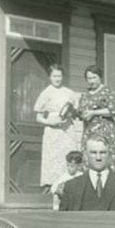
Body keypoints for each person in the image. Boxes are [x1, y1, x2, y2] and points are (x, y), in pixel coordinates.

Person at [33, 64, 81, 197]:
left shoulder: (69, 92)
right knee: (53, 159)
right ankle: (52, 189)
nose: (57, 79)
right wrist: (50, 122)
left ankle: (70, 186)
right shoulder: (46, 93)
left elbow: (76, 111)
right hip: (53, 130)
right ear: (49, 77)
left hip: (67, 128)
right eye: (54, 76)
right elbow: (38, 117)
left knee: (69, 154)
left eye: (59, 76)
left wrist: (73, 111)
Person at [59, 138, 115, 211]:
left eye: (103, 152)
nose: (98, 157)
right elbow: (63, 221)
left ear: (109, 154)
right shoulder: (71, 187)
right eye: (93, 153)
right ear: (85, 155)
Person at [76, 64, 115, 171]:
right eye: (89, 78)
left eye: (94, 77)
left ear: (100, 77)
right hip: (89, 131)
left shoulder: (106, 91)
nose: (91, 81)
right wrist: (82, 114)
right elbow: (81, 112)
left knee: (105, 160)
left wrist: (94, 112)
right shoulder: (85, 94)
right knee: (88, 159)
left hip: (105, 131)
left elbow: (113, 110)